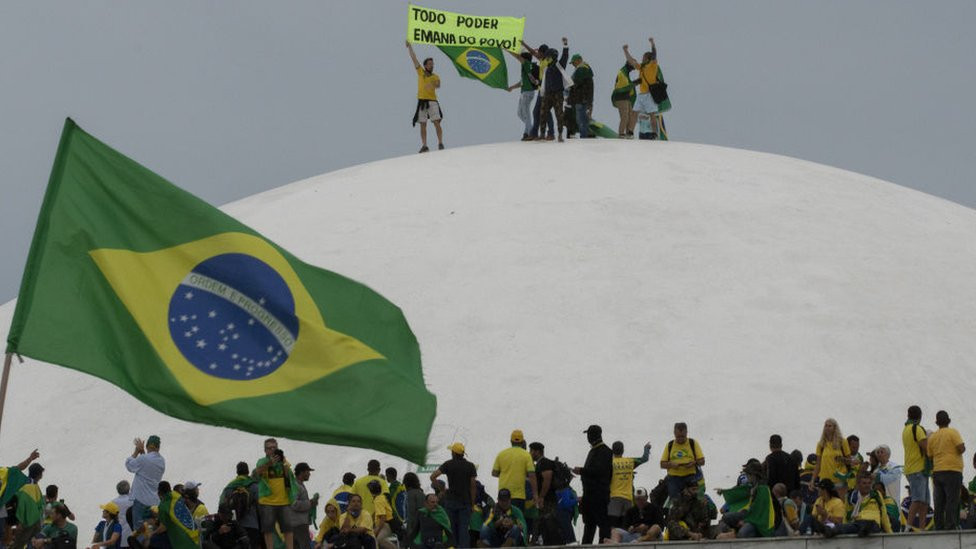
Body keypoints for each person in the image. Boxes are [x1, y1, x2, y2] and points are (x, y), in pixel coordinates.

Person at [430, 443, 476, 548]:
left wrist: (442, 490)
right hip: (465, 502)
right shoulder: (470, 466)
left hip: (451, 501)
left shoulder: (448, 464)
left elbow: (433, 476)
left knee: (451, 529)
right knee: (464, 529)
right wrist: (472, 504)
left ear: (453, 453)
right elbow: (473, 486)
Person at [253, 439, 296, 549]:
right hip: (267, 501)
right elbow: (256, 473)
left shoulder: (283, 461)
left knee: (288, 529)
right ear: (265, 450)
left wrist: (284, 464)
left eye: (274, 448)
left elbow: (290, 478)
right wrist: (269, 463)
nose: (272, 450)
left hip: (284, 500)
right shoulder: (262, 461)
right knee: (268, 530)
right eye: (269, 448)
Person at [523, 38, 569, 141]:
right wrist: (537, 82)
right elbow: (543, 80)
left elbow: (565, 57)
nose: (546, 59)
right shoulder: (546, 65)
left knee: (553, 113)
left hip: (554, 92)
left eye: (548, 57)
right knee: (542, 112)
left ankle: (555, 134)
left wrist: (565, 45)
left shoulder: (553, 63)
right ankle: (542, 133)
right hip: (545, 91)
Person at [574, 425, 613, 545]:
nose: (587, 438)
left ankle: (603, 546)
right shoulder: (594, 450)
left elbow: (600, 472)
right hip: (589, 496)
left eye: (588, 435)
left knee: (603, 525)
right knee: (589, 526)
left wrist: (582, 471)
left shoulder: (605, 451)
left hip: (599, 495)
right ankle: (586, 546)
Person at [928, 410, 965, 530]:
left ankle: (938, 527)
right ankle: (950, 526)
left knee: (939, 502)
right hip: (953, 470)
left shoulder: (933, 437)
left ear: (937, 422)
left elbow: (930, 455)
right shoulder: (953, 432)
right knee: (952, 500)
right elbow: (961, 448)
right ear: (948, 420)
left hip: (937, 471)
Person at [823, 474, 892, 537]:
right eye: (864, 483)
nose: (867, 486)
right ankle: (826, 530)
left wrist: (890, 533)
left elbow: (884, 514)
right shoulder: (851, 496)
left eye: (869, 483)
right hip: (858, 522)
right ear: (858, 485)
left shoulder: (876, 495)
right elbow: (846, 515)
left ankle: (864, 530)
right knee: (841, 527)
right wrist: (844, 526)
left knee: (869, 524)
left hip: (873, 523)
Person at [405, 41, 444, 153]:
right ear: (426, 65)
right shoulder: (421, 72)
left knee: (436, 121)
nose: (432, 65)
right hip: (422, 101)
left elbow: (438, 85)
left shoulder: (435, 76)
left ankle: (440, 142)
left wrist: (431, 84)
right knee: (423, 124)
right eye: (430, 64)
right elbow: (414, 59)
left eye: (433, 64)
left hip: (432, 101)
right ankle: (424, 145)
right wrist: (410, 47)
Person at [622, 37, 663, 139]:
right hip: (641, 95)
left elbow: (654, 54)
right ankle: (630, 133)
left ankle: (655, 134)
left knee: (652, 114)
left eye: (644, 57)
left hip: (649, 94)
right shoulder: (642, 67)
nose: (642, 58)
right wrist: (625, 51)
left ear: (648, 58)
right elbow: (631, 61)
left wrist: (652, 43)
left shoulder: (653, 65)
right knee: (635, 113)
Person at [125, 436, 165, 538]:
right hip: (154, 502)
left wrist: (136, 451)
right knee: (151, 532)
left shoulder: (143, 459)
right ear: (158, 447)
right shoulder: (162, 461)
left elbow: (129, 465)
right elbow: (147, 465)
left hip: (141, 500)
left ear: (147, 446)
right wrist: (143, 453)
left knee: (140, 531)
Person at [491, 431, 538, 512]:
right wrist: (535, 494)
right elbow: (532, 475)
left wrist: (505, 473)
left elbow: (494, 473)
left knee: (502, 520)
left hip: (503, 494)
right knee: (517, 519)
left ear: (511, 441)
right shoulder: (526, 455)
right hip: (519, 496)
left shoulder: (501, 454)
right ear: (522, 442)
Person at [608, 441, 651, 528]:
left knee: (613, 526)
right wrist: (646, 448)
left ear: (612, 451)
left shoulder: (609, 463)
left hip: (614, 497)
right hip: (628, 498)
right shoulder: (630, 462)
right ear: (623, 450)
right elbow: (644, 458)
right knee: (626, 526)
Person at [660, 422, 705, 504]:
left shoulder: (693, 443)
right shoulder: (669, 445)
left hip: (691, 476)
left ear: (687, 433)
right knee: (676, 501)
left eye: (683, 436)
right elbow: (662, 464)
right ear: (674, 433)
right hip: (674, 478)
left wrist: (694, 463)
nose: (680, 439)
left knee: (696, 500)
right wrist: (671, 464)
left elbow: (702, 461)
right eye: (678, 437)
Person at [902, 404, 930, 531]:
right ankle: (908, 527)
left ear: (908, 415)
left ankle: (922, 529)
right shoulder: (917, 429)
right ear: (920, 416)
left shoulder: (906, 429)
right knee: (918, 499)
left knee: (924, 501)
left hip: (912, 468)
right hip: (918, 469)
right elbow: (926, 447)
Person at [220, 463, 261, 549]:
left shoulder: (229, 487)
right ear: (248, 471)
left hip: (235, 527)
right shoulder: (254, 485)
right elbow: (261, 505)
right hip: (252, 525)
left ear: (237, 472)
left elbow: (222, 505)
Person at [809, 418, 851, 500]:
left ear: (835, 428)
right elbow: (818, 464)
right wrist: (812, 480)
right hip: (824, 480)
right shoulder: (821, 444)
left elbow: (849, 461)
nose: (827, 428)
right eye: (826, 426)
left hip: (839, 479)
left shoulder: (842, 442)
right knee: (825, 505)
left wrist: (841, 459)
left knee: (839, 505)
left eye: (829, 426)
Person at [504, 50, 539, 140]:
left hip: (528, 92)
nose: (520, 60)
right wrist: (512, 87)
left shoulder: (527, 64)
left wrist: (507, 49)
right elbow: (522, 82)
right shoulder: (525, 68)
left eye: (521, 58)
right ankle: (530, 129)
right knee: (520, 113)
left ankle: (528, 133)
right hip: (524, 92)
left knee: (526, 113)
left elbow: (518, 57)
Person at [11, 462, 46, 549]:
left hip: (30, 521)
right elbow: (24, 505)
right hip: (29, 522)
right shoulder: (30, 486)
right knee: (19, 545)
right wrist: (21, 521)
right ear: (39, 474)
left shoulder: (28, 484)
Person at [156, 482, 200, 549]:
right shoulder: (177, 496)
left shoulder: (163, 506)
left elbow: (163, 528)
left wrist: (152, 534)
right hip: (194, 534)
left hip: (182, 541)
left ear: (159, 493)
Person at [286, 463, 316, 549]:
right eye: (308, 471)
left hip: (296, 524)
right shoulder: (296, 486)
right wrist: (310, 503)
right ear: (302, 472)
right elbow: (293, 503)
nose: (309, 474)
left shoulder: (298, 485)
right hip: (298, 524)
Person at [869, 444, 903, 514]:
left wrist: (877, 477)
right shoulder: (876, 469)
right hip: (879, 502)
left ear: (888, 454)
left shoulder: (895, 467)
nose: (879, 454)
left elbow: (890, 479)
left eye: (882, 452)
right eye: (878, 452)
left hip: (892, 501)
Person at [567, 54, 594, 138]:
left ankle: (584, 137)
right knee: (583, 118)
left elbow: (576, 83)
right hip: (585, 98)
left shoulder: (581, 69)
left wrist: (569, 87)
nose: (573, 65)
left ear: (578, 60)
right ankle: (585, 135)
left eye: (573, 62)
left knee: (581, 119)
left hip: (581, 98)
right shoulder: (586, 68)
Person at [611, 61, 637, 137]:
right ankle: (621, 134)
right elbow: (623, 88)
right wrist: (634, 83)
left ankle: (628, 133)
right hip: (621, 98)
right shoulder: (622, 73)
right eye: (633, 66)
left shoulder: (625, 73)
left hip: (626, 98)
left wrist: (634, 83)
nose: (634, 68)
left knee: (630, 116)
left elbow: (626, 85)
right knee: (625, 116)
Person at [367, 482, 395, 549]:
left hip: (385, 525)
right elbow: (376, 513)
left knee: (378, 540)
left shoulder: (378, 500)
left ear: (371, 491)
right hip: (385, 524)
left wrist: (377, 530)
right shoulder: (382, 497)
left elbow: (383, 517)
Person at [108, 482, 133, 549]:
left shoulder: (112, 502)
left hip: (117, 534)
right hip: (131, 533)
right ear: (128, 489)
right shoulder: (132, 501)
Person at [400, 473, 425, 538]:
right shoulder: (421, 492)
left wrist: (409, 530)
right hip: (423, 525)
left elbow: (411, 513)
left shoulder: (410, 494)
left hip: (414, 527)